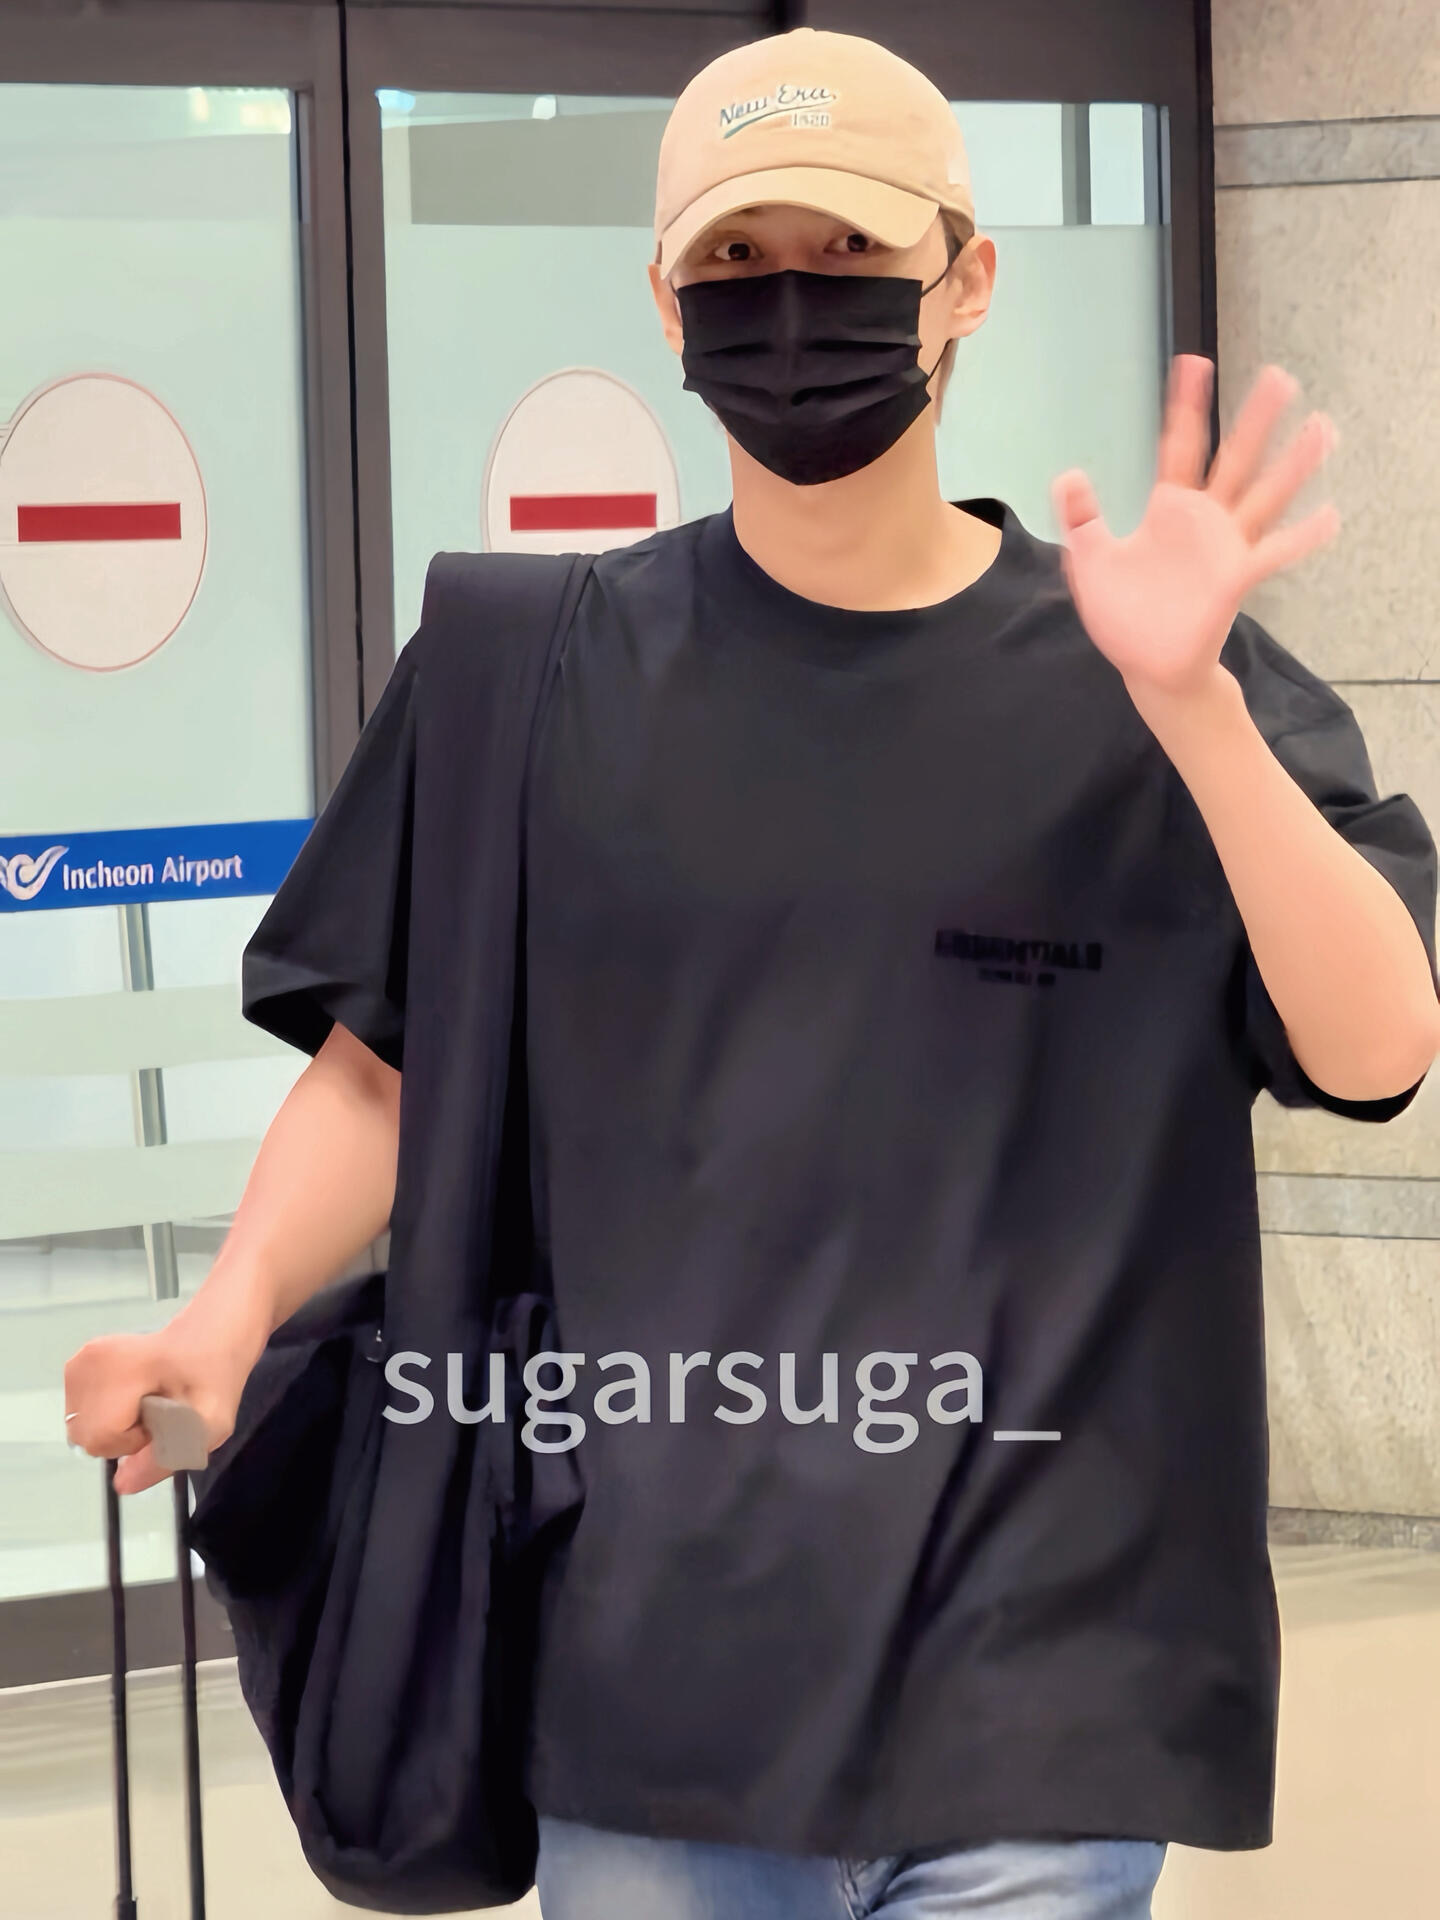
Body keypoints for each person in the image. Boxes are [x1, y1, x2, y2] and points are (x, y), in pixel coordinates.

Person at [65, 27, 1440, 1920]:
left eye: (851, 252)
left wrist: (1194, 707)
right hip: (653, 1678)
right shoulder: (528, 671)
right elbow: (385, 1071)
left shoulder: (1148, 671)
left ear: (968, 278)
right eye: (735, 258)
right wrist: (223, 1323)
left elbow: (1375, 1046)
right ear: (664, 300)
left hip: (1042, 1675)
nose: (791, 302)